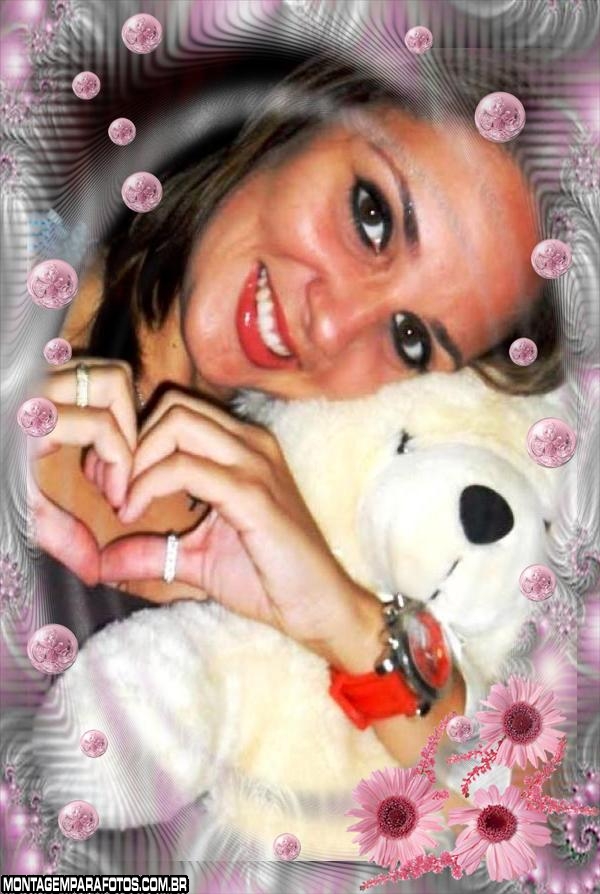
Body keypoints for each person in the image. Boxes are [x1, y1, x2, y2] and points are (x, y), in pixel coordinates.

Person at [30, 57, 561, 774]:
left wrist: (346, 624)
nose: (333, 326)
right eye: (372, 217)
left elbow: (517, 815)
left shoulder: (318, 527)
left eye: (409, 338)